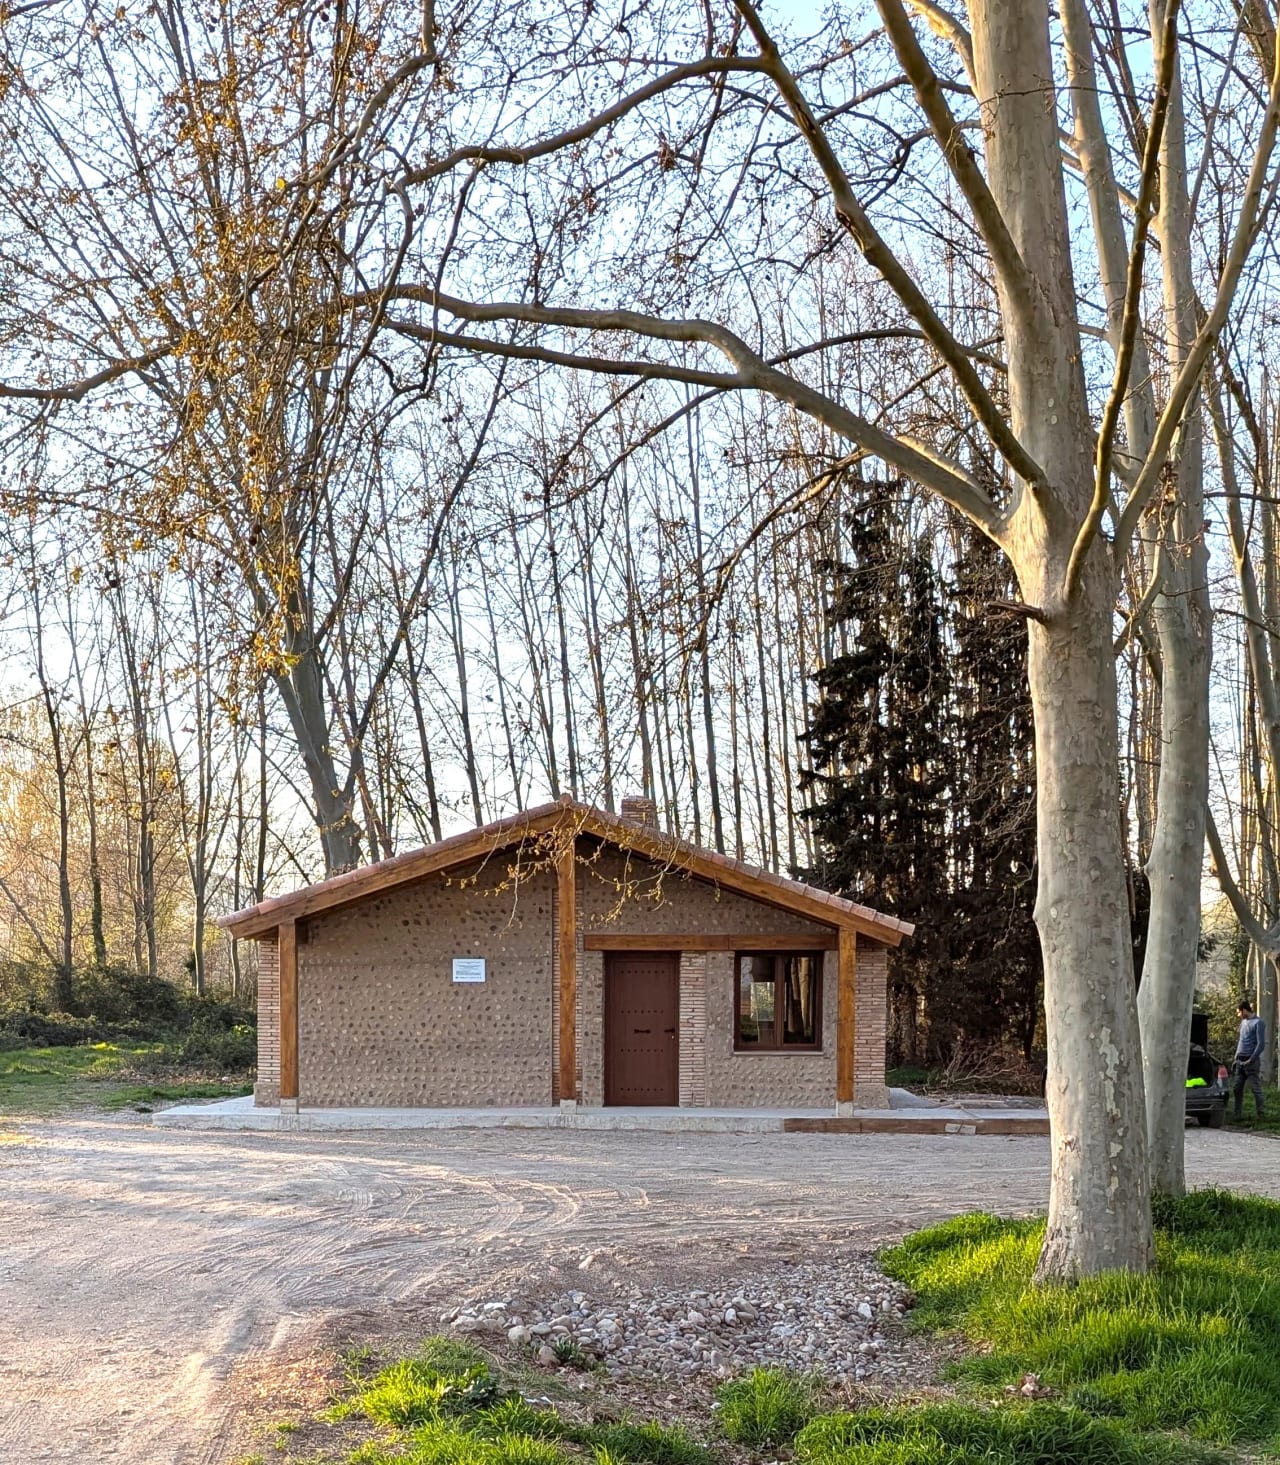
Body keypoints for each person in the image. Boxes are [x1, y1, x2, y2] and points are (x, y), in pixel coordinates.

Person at [1233, 999, 1267, 1122]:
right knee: (1237, 1088)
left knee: (1255, 1089)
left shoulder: (1258, 1023)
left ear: (1245, 1010)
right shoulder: (1243, 1023)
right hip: (1239, 1061)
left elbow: (1261, 1044)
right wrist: (1236, 1057)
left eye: (1239, 1012)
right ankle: (1237, 1115)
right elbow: (1241, 1040)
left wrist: (1251, 1059)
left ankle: (1261, 1114)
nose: (1239, 1015)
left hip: (1251, 1061)